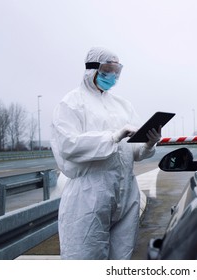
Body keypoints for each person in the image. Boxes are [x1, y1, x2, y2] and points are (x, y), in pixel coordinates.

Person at [50, 47, 161, 259]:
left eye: (117, 70)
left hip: (126, 193)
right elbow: (67, 145)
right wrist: (112, 137)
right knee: (83, 257)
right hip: (88, 195)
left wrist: (148, 144)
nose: (113, 76)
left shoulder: (122, 105)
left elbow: (135, 151)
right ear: (91, 69)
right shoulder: (71, 103)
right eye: (108, 69)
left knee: (121, 257)